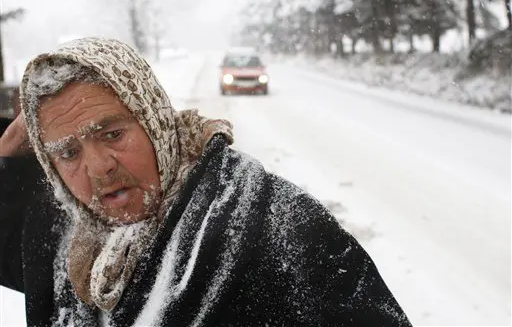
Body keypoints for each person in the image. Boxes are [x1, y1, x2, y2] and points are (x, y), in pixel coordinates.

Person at [0, 37, 412, 326]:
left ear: (154, 121)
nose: (97, 168)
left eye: (112, 134)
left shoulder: (272, 226)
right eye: (68, 152)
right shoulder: (59, 233)